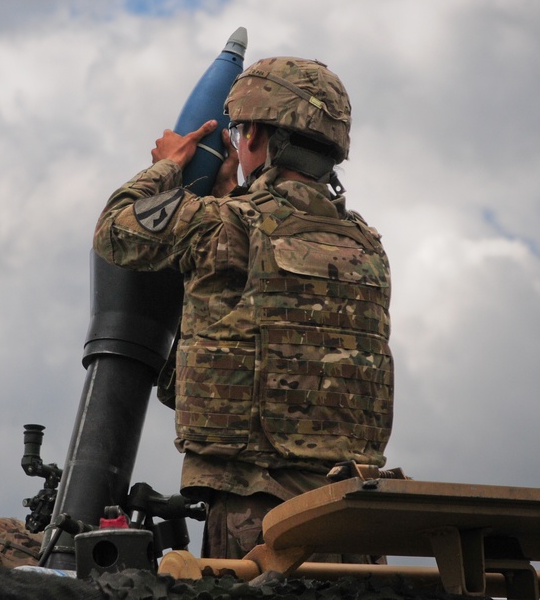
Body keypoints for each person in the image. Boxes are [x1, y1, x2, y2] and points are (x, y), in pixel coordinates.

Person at [93, 57, 393, 559]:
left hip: (258, 509)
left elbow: (115, 231)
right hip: (351, 512)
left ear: (253, 134)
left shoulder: (221, 226)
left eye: (239, 128)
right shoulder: (366, 246)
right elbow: (272, 290)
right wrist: (234, 192)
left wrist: (167, 164)